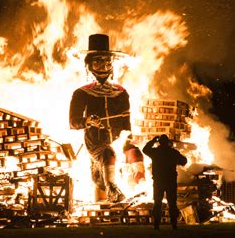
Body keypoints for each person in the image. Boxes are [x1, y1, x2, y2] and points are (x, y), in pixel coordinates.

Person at [69, 33, 144, 203]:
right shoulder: (81, 93)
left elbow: (126, 120)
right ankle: (112, 189)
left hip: (120, 137)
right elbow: (73, 122)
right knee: (109, 154)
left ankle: (143, 185)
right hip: (96, 141)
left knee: (135, 153)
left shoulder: (121, 92)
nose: (103, 66)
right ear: (88, 66)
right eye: (98, 61)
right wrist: (87, 121)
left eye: (107, 62)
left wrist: (128, 138)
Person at [143, 134, 187, 230]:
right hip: (170, 181)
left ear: (159, 142)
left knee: (157, 203)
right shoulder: (173, 152)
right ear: (168, 142)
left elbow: (145, 149)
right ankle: (174, 225)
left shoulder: (155, 152)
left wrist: (153, 141)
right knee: (172, 203)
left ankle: (156, 225)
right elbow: (184, 161)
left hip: (158, 181)